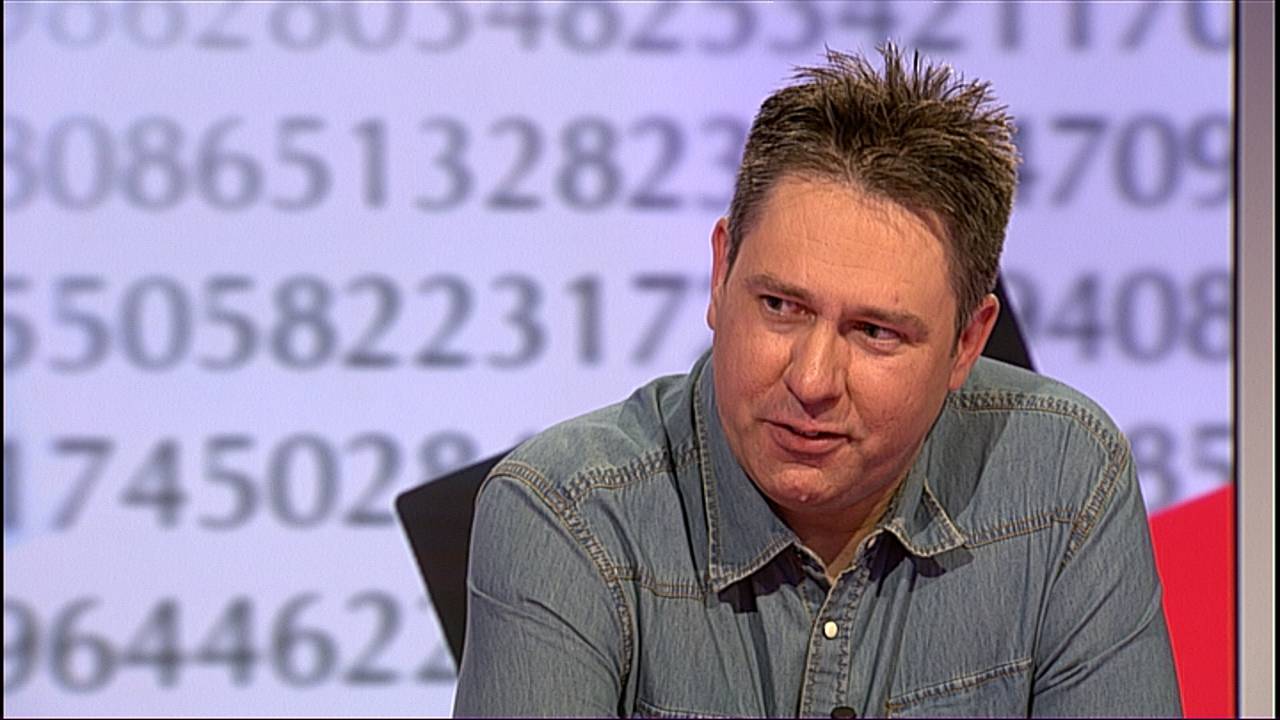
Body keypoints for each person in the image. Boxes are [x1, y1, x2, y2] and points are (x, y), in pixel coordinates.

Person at [453, 45, 1181, 718]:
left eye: (875, 332)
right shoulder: (567, 516)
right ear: (721, 272)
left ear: (967, 342)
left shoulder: (1064, 480)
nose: (811, 380)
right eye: (780, 306)